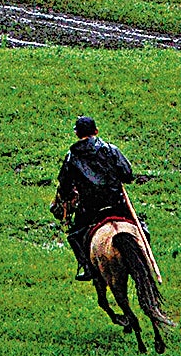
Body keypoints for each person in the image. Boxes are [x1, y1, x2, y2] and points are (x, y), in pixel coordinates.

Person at [51, 116, 137, 281]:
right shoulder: (111, 149)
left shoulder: (72, 156)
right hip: (116, 203)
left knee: (74, 235)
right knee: (141, 228)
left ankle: (87, 267)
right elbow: (128, 174)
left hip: (90, 209)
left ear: (77, 134)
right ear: (96, 131)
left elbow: (65, 185)